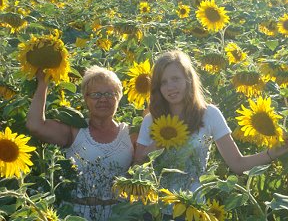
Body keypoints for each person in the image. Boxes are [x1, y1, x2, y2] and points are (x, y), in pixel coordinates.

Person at [134, 50, 288, 217]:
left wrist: (273, 153)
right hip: (154, 210)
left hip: (193, 210)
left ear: (188, 79)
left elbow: (237, 164)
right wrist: (160, 142)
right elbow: (136, 165)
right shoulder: (151, 120)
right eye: (163, 82)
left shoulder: (209, 115)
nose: (170, 86)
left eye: (175, 79)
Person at [26, 65, 134, 221]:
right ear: (85, 98)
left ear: (119, 97)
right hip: (76, 214)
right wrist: (43, 83)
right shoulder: (75, 131)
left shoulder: (130, 134)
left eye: (110, 93)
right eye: (96, 94)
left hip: (118, 215)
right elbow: (35, 125)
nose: (103, 99)